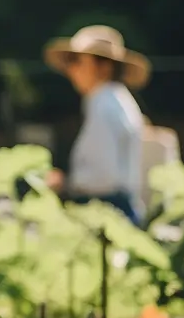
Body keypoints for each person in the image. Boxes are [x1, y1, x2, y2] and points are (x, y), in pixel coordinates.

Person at [43, 25, 150, 224]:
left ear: (104, 66)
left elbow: (103, 177)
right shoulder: (114, 99)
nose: (71, 69)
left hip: (108, 214)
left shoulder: (104, 104)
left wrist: (66, 183)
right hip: (120, 210)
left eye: (77, 60)